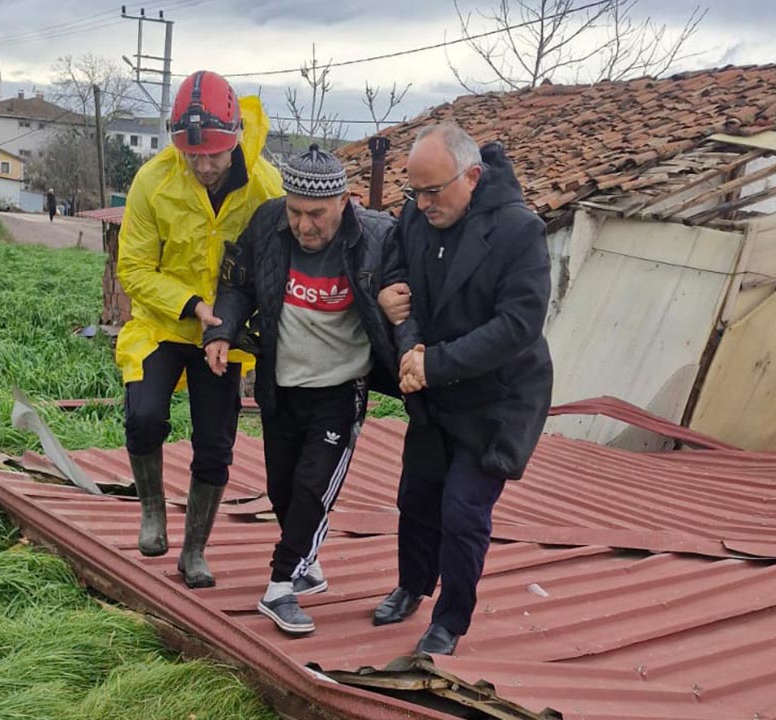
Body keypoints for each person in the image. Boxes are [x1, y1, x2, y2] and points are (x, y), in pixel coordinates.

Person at [203, 144, 405, 635]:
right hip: (281, 379)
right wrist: (221, 331)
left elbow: (410, 288)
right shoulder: (268, 223)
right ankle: (308, 562)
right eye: (295, 211)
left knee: (314, 487)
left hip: (340, 386)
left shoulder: (378, 236)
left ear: (343, 202)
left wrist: (394, 310)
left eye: (316, 213)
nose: (304, 224)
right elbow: (239, 285)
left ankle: (280, 585)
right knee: (283, 489)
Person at [374, 122, 553, 656]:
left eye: (433, 191)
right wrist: (405, 340)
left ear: (472, 177)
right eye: (415, 191)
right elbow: (397, 277)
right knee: (417, 496)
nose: (423, 203)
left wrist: (435, 364)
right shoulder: (415, 214)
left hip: (495, 399)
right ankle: (412, 585)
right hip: (433, 389)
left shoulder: (520, 232)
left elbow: (518, 326)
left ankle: (450, 619)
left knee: (463, 511)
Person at [116, 70, 283, 588]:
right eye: (194, 156)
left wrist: (231, 326)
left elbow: (273, 271)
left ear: (234, 140)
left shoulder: (265, 188)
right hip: (163, 324)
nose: (204, 166)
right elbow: (134, 269)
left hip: (224, 335)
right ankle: (151, 511)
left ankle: (194, 551)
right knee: (144, 417)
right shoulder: (152, 181)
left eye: (213, 154)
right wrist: (189, 304)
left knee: (215, 444)